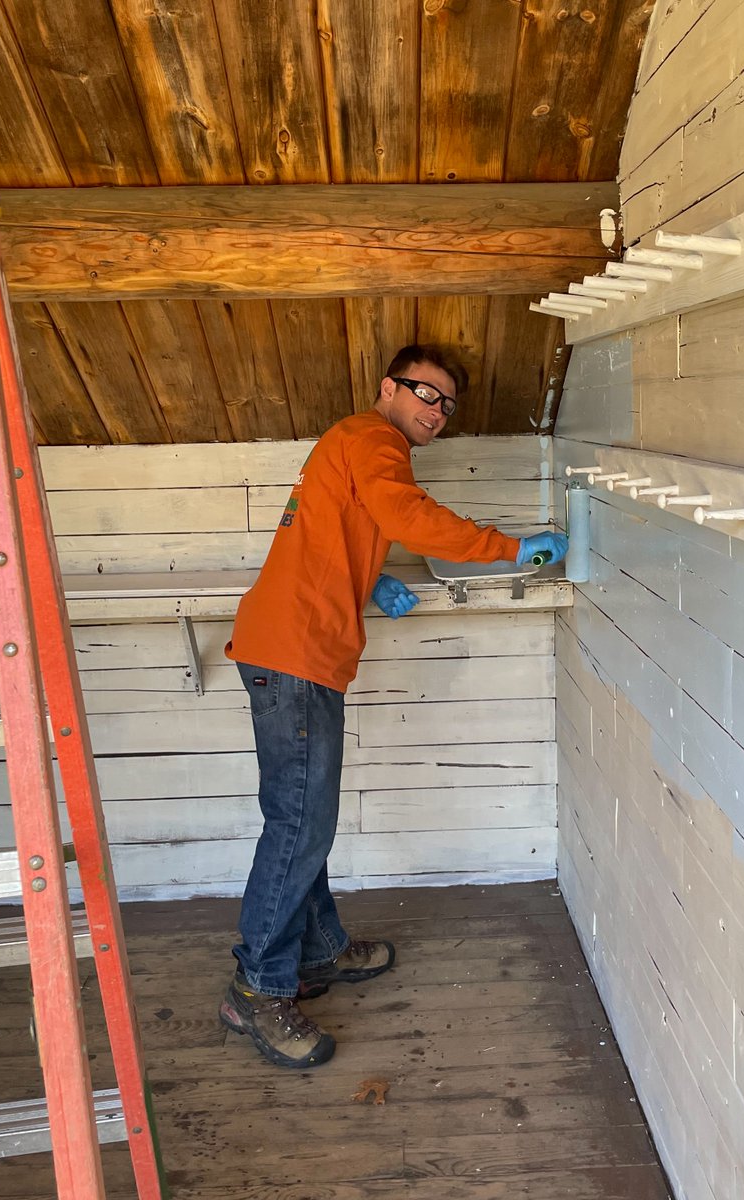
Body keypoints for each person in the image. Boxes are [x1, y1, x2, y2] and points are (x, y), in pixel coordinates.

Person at [220, 344, 569, 1068]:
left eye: (446, 404)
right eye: (425, 393)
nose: (435, 412)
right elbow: (410, 517)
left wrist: (371, 580)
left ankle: (318, 951)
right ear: (389, 388)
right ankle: (258, 989)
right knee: (298, 824)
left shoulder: (349, 441)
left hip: (290, 646)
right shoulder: (375, 439)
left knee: (302, 820)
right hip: (295, 653)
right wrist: (512, 548)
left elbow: (333, 529)